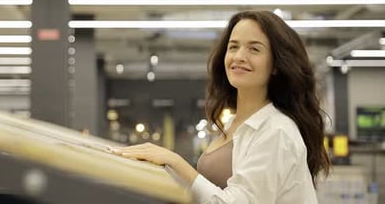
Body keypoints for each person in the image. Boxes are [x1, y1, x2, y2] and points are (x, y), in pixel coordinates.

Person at [111, 10, 331, 203]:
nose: (239, 57)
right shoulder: (237, 123)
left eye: (254, 49)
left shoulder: (276, 131)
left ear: (276, 65)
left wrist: (174, 161)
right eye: (233, 47)